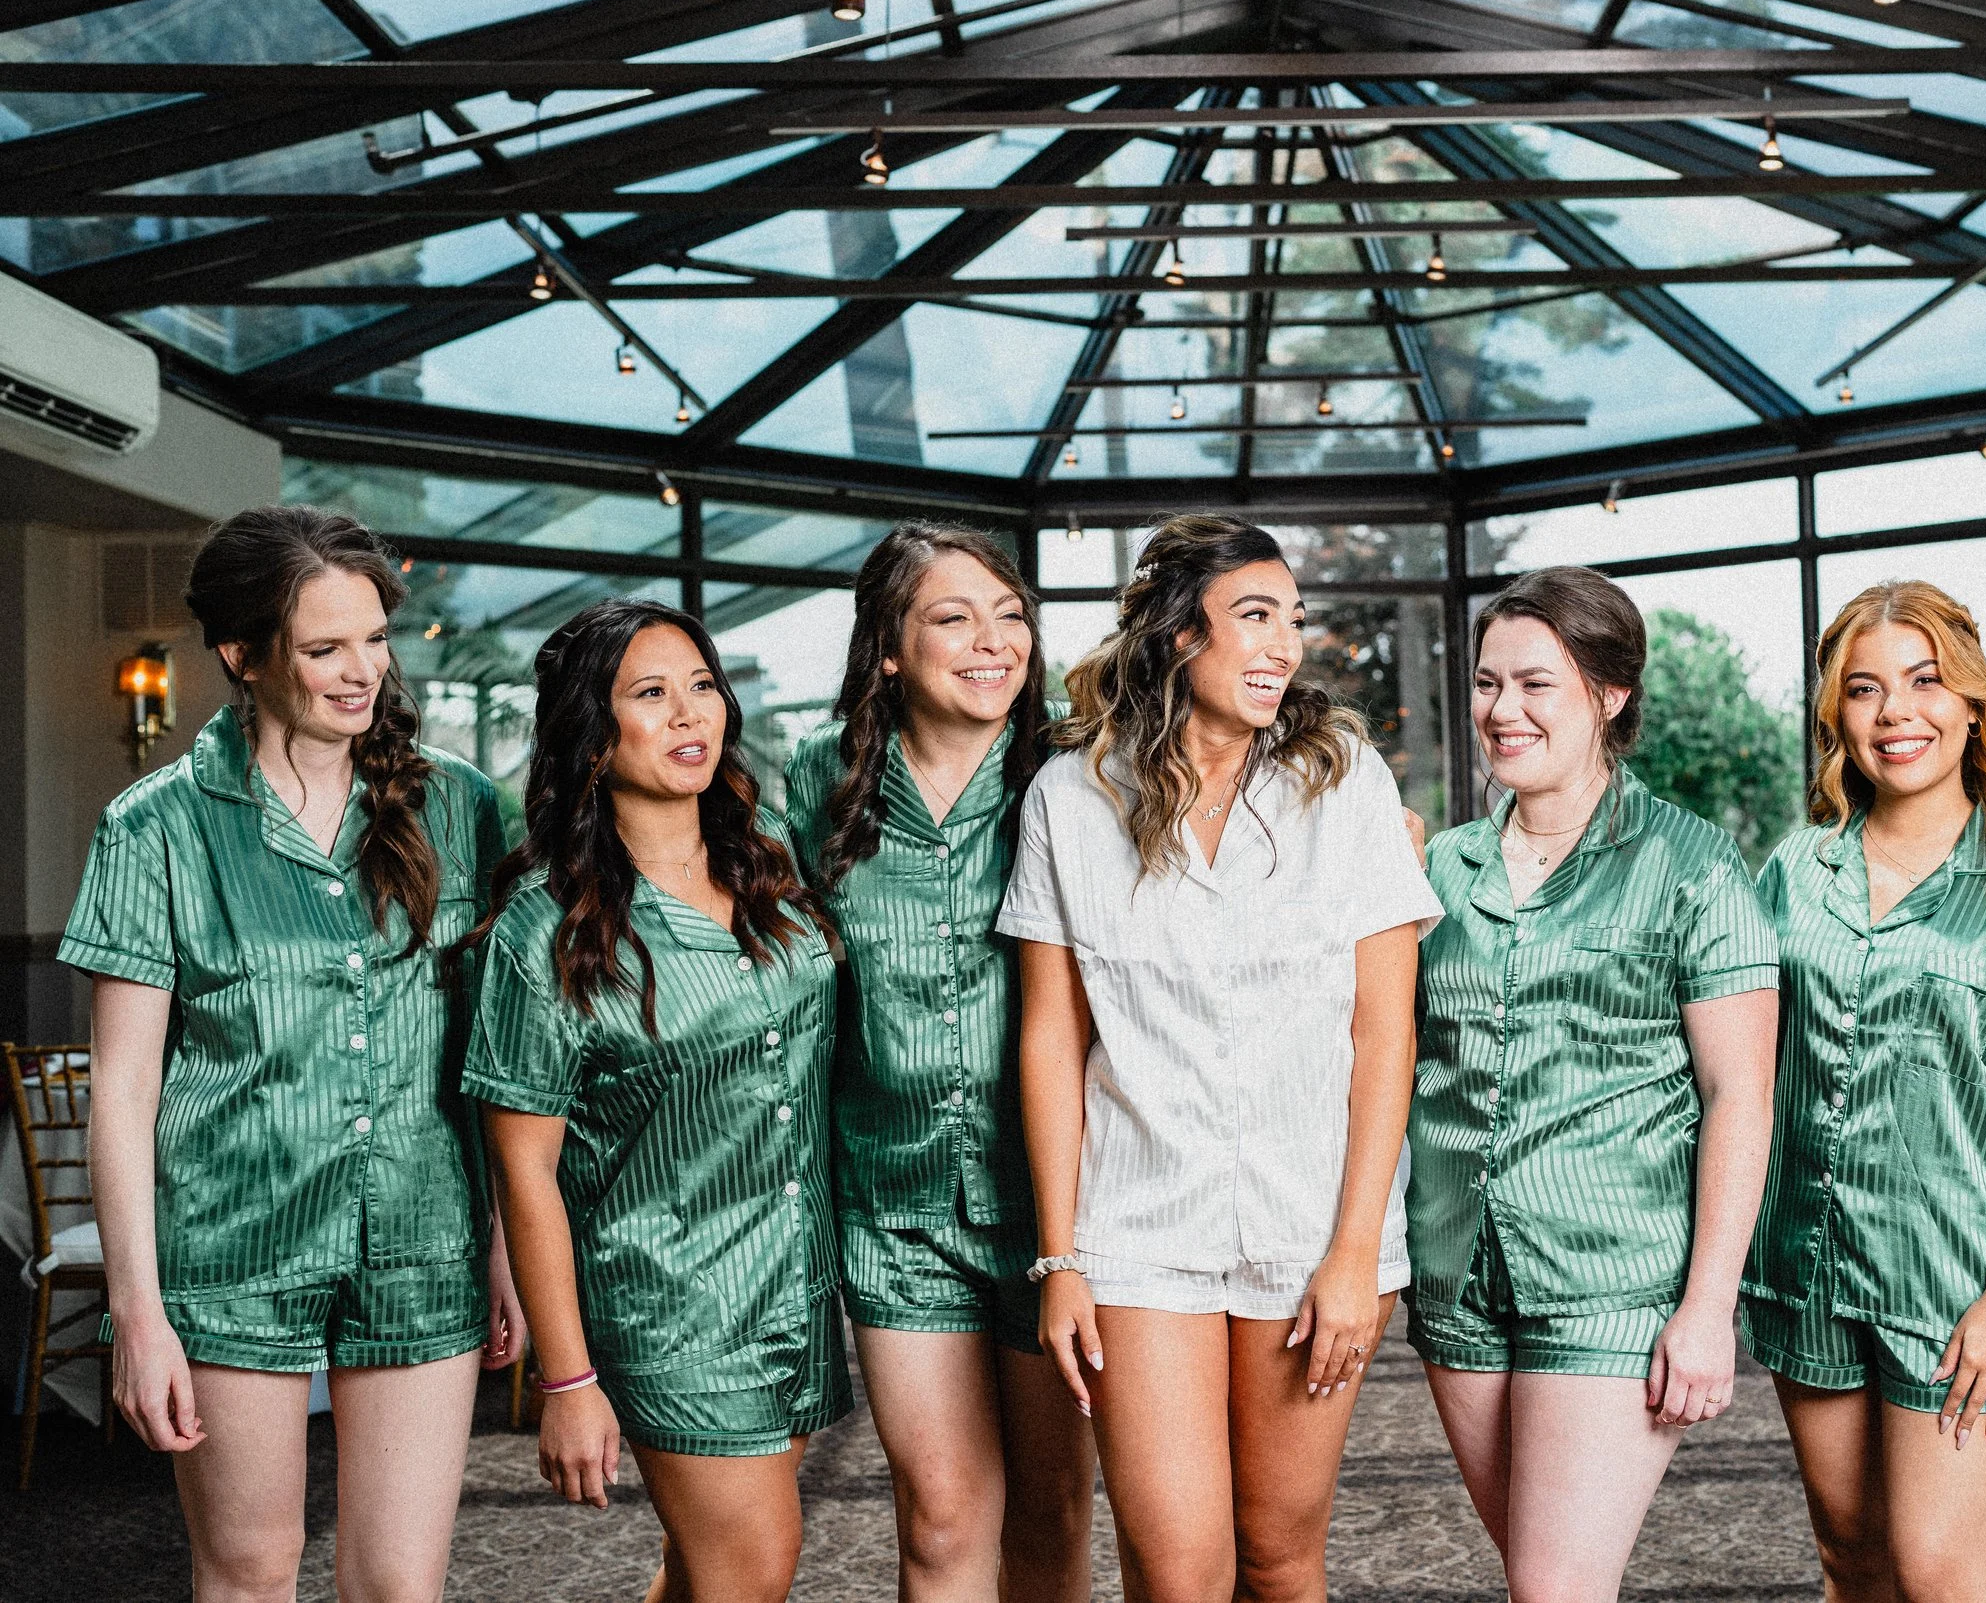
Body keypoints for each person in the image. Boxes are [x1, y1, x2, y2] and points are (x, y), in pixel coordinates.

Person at [63, 505, 523, 1602]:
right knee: (248, 1571)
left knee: (400, 1585)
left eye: (374, 638)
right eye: (325, 648)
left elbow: (492, 1051)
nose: (363, 671)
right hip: (231, 1248)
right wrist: (139, 1311)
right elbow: (123, 1090)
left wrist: (503, 1240)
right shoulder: (154, 826)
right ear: (243, 654)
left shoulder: (462, 807)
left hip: (423, 1231)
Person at [999, 514, 1443, 1603]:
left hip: (1312, 1231)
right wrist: (1061, 1259)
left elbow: (1385, 1031)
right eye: (1254, 615)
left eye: (1293, 619)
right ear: (1175, 633)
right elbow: (1053, 1037)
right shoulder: (1068, 797)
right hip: (1139, 1229)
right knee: (1178, 1567)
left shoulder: (1348, 785)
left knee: (1282, 1560)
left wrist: (1350, 1254)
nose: (1284, 643)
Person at [1746, 580, 1986, 1603]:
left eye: (1925, 682)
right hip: (1806, 1269)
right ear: (1836, 714)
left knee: (1941, 1572)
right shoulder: (1794, 870)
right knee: (1853, 1562)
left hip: (1957, 1286)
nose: (1896, 713)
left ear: (1972, 702)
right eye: (1865, 689)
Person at [1407, 567, 1779, 1603]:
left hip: (1611, 1280)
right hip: (1458, 1273)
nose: (1501, 711)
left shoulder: (1695, 865)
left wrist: (1708, 1306)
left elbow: (1740, 1093)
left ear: (1609, 695)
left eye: (1535, 683)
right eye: (1486, 684)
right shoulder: (1439, 868)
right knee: (1546, 1581)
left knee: (1556, 1587)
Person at [464, 598, 846, 1603]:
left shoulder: (769, 866)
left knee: (705, 1568)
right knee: (752, 1568)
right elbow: (527, 1171)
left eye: (703, 686)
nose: (691, 715)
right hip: (670, 1304)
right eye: (650, 693)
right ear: (593, 737)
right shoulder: (543, 930)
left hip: (800, 1286)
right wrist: (567, 1378)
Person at [783, 524, 1094, 1603]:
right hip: (891, 1205)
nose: (991, 640)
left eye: (1009, 615)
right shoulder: (816, 783)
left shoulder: (1075, 777)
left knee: (1052, 1509)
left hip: (1062, 1212)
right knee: (946, 1513)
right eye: (953, 617)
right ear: (887, 648)